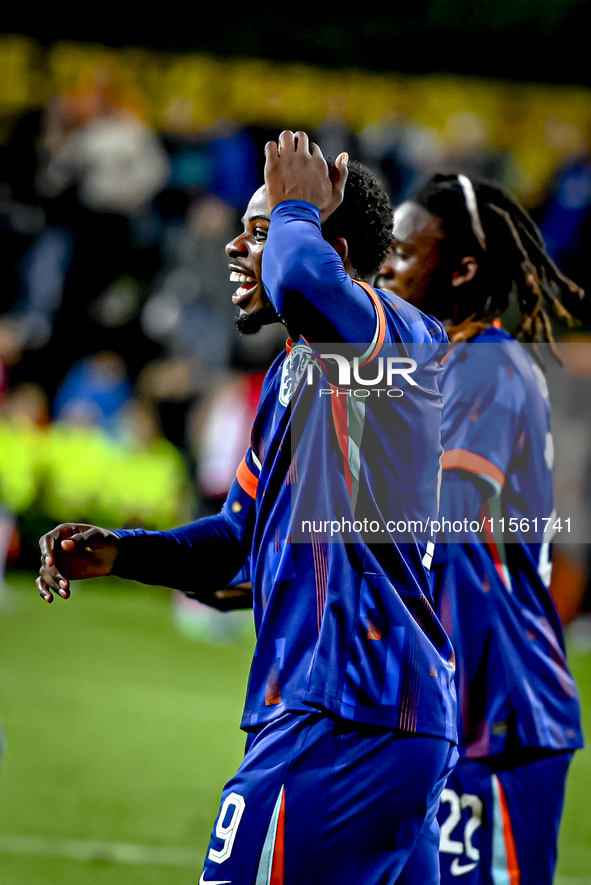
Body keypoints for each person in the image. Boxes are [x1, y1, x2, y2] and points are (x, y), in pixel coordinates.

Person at [37, 132, 457, 885]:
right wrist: (126, 551)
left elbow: (301, 272)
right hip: (373, 716)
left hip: (342, 714)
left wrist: (295, 208)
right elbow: (236, 537)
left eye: (257, 231)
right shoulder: (300, 372)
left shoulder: (385, 330)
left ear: (327, 246)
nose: (235, 246)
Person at [378, 172, 584, 884]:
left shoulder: (488, 367)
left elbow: (446, 517)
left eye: (402, 252)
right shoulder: (437, 366)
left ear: (462, 269)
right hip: (444, 706)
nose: (383, 266)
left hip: (498, 710)